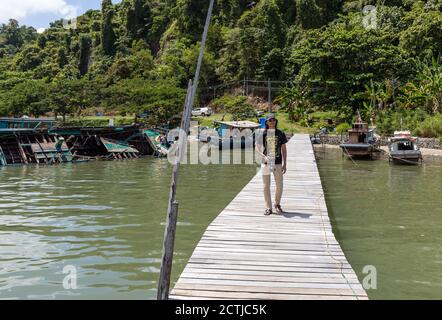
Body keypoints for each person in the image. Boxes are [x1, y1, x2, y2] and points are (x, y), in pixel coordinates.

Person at [255, 114, 288, 216]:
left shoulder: (281, 133)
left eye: (274, 120)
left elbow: (284, 149)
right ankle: (268, 207)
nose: (272, 122)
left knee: (279, 185)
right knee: (266, 186)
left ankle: (277, 204)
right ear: (267, 122)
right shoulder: (263, 133)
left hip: (278, 163)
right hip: (266, 163)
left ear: (276, 121)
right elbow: (256, 147)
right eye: (270, 120)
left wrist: (285, 163)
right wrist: (263, 156)